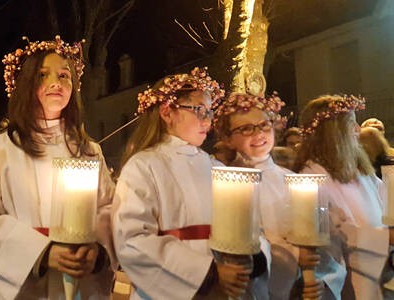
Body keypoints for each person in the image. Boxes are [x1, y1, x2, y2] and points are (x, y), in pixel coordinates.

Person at [0, 36, 116, 299]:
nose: (56, 82)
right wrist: (41, 253)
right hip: (22, 286)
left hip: (82, 283)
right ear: (25, 85)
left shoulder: (89, 151)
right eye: (43, 75)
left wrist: (98, 252)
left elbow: (109, 210)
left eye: (64, 75)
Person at [113, 68, 269, 299]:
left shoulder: (218, 169)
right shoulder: (143, 166)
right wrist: (209, 273)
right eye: (199, 110)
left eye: (209, 112)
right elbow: (132, 240)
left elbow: (252, 228)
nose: (207, 120)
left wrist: (250, 263)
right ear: (167, 112)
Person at [213, 92, 346, 299]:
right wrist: (294, 256)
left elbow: (323, 237)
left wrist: (320, 278)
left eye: (264, 125)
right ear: (228, 139)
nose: (258, 134)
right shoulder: (224, 185)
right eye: (246, 128)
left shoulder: (295, 181)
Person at [295, 94, 392, 299]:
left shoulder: (359, 170)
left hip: (377, 269)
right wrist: (385, 237)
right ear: (332, 132)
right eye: (351, 124)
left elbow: (385, 199)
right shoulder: (312, 176)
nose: (358, 130)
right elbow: (335, 233)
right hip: (349, 277)